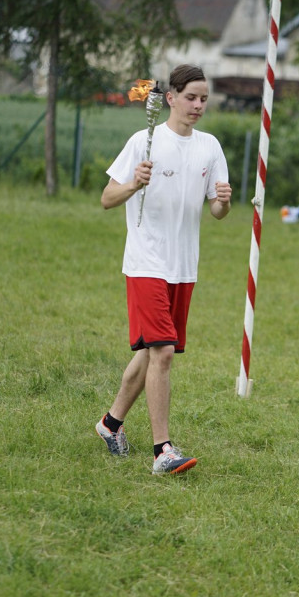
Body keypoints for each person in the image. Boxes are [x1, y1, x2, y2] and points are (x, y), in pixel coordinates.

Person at [96, 64, 232, 475]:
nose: (198, 105)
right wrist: (134, 183)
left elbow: (217, 210)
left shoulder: (210, 146)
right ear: (169, 97)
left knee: (151, 351)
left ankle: (111, 424)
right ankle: (163, 451)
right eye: (191, 97)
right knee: (164, 352)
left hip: (183, 267)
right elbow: (107, 198)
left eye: (204, 98)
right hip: (146, 262)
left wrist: (224, 200)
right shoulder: (145, 140)